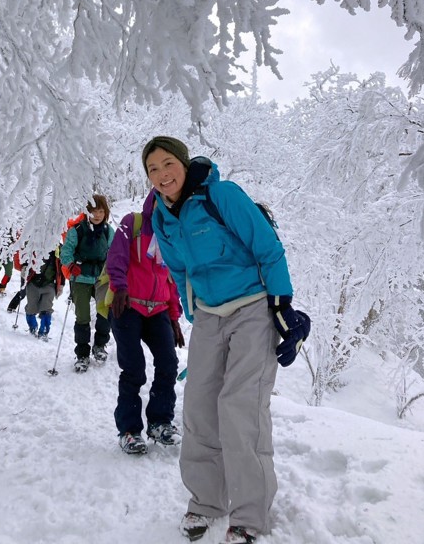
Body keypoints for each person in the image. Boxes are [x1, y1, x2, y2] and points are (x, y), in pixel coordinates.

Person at [141, 136, 310, 544]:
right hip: (209, 317)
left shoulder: (222, 195)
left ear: (183, 163)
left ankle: (250, 515)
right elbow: (179, 270)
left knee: (240, 408)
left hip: (251, 309)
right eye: (152, 170)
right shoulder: (162, 217)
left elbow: (267, 248)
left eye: (168, 164)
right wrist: (192, 312)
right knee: (199, 408)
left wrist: (281, 304)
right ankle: (205, 503)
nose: (162, 175)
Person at [105, 188, 185, 455]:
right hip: (128, 305)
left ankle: (160, 422)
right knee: (134, 368)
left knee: (168, 364)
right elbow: (116, 256)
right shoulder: (133, 223)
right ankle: (129, 430)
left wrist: (174, 317)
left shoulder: (174, 235)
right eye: (164, 200)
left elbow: (172, 279)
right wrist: (120, 287)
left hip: (158, 310)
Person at [60, 194, 115, 372]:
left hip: (102, 278)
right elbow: (65, 252)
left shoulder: (108, 231)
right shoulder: (77, 230)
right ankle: (82, 354)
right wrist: (71, 265)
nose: (97, 215)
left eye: (101, 211)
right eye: (93, 211)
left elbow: (115, 253)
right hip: (81, 278)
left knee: (105, 313)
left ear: (105, 213)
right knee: (82, 317)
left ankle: (100, 345)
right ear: (87, 212)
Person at [7, 248, 62, 339]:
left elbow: (61, 268)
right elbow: (22, 258)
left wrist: (61, 284)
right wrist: (24, 268)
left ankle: (43, 332)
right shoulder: (34, 244)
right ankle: (33, 328)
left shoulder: (58, 249)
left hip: (50, 284)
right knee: (31, 309)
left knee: (47, 308)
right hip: (33, 283)